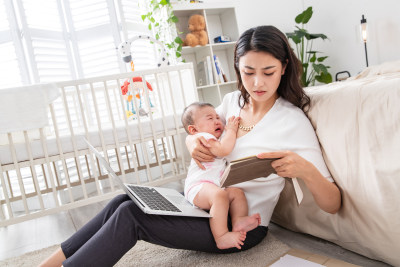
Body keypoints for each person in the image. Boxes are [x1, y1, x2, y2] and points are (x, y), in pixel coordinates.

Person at [40, 25, 341, 267]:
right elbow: (199, 131)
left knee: (131, 217)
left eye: (268, 72)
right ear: (238, 68)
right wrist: (191, 140)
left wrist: (304, 169)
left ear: (284, 67)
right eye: (248, 72)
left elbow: (333, 203)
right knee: (123, 201)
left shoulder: (292, 121)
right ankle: (50, 264)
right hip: (201, 204)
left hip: (240, 227)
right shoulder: (232, 102)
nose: (257, 83)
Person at [181, 102, 261, 250]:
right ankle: (221, 237)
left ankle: (239, 220)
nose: (217, 121)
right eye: (210, 118)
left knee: (236, 193)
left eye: (217, 117)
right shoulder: (204, 138)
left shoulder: (213, 138)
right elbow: (224, 149)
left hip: (213, 187)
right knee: (219, 196)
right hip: (197, 188)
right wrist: (231, 130)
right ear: (194, 129)